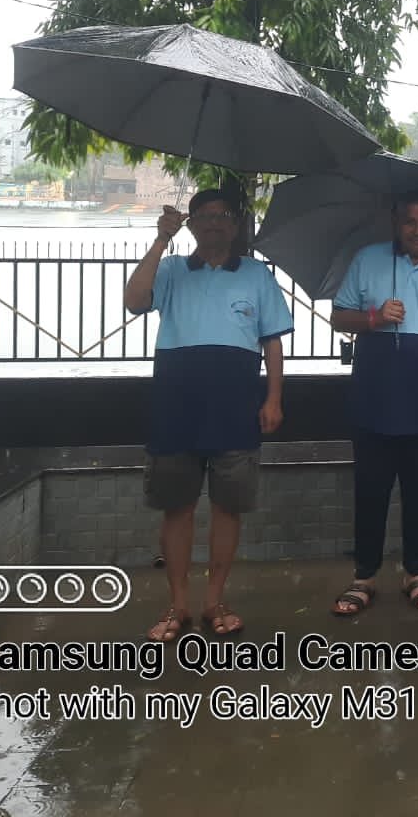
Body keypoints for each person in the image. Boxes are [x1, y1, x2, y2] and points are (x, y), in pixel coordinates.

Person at [123, 187, 291, 641]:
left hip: (236, 408)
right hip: (176, 406)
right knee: (176, 509)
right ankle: (178, 605)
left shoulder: (256, 274)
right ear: (191, 224)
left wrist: (273, 399)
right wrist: (161, 240)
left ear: (235, 226)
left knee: (227, 509)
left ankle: (215, 600)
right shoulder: (172, 269)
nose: (215, 223)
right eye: (205, 216)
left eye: (223, 216)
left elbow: (273, 341)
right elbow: (134, 301)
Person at [327, 193, 418, 616]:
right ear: (396, 223)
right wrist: (373, 318)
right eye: (410, 221)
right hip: (373, 397)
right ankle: (364, 576)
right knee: (370, 491)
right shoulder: (367, 259)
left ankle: (416, 573)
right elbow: (339, 316)